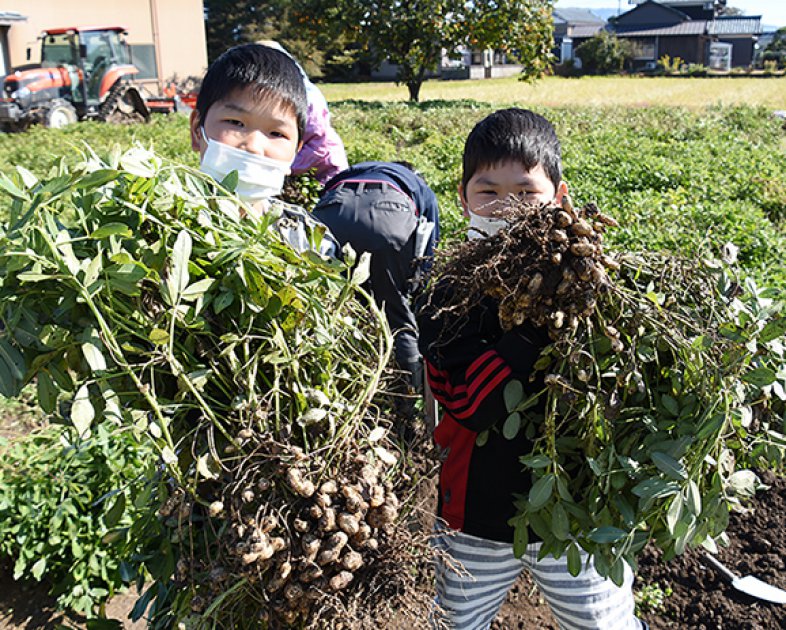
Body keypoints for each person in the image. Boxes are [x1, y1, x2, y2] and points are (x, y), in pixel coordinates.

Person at [416, 108, 645, 630]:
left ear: (559, 198)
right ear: (463, 197)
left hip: (578, 517)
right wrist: (535, 331)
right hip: (475, 519)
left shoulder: (594, 286)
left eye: (525, 193)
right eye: (488, 192)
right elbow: (471, 405)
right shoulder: (447, 296)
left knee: (601, 624)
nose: (506, 209)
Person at [188, 43, 338, 257]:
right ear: (196, 130)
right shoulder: (159, 224)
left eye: (276, 134)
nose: (254, 147)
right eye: (235, 122)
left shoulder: (312, 244)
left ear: (296, 151)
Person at [313, 161, 440, 393]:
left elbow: (324, 193)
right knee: (396, 313)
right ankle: (408, 404)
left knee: (335, 311)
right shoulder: (417, 184)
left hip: (332, 213)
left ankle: (343, 392)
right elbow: (430, 243)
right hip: (388, 220)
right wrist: (417, 292)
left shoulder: (354, 171)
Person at [258, 40, 349, 184]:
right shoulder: (274, 95)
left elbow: (318, 143)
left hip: (324, 168)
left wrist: (286, 166)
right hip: (299, 170)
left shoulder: (308, 97)